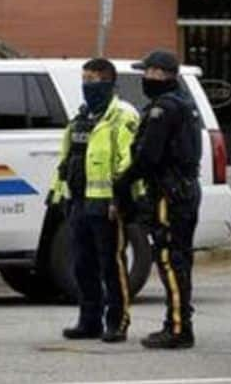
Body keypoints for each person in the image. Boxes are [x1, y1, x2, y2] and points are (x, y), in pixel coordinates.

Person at [48, 58, 139, 343]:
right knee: (82, 264)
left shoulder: (122, 116)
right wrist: (58, 193)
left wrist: (120, 199)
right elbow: (67, 158)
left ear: (109, 82)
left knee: (111, 264)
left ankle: (117, 322)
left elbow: (128, 160)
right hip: (78, 201)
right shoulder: (82, 117)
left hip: (107, 203)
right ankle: (89, 321)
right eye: (84, 79)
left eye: (93, 79)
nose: (87, 85)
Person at [116, 49, 202, 350]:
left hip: (169, 192)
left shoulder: (162, 109)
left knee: (169, 258)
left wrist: (126, 179)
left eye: (148, 72)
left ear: (162, 74)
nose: (144, 78)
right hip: (185, 189)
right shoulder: (185, 104)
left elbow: (148, 156)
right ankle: (178, 321)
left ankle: (178, 328)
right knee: (179, 258)